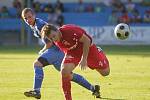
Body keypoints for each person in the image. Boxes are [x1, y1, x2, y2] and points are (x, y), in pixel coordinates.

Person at [21, 8, 100, 99]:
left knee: (37, 64)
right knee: (68, 75)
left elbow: (50, 43)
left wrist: (42, 50)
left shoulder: (40, 25)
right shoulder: (34, 25)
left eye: (29, 17)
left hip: (56, 51)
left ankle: (36, 91)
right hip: (58, 51)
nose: (28, 20)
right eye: (25, 18)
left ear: (34, 15)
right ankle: (93, 88)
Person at [41, 24, 110, 100]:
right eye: (51, 38)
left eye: (54, 36)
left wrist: (84, 59)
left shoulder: (69, 31)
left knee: (105, 73)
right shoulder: (57, 39)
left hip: (88, 49)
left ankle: (100, 52)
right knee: (64, 72)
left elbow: (87, 40)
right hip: (73, 52)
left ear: (57, 30)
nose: (54, 39)